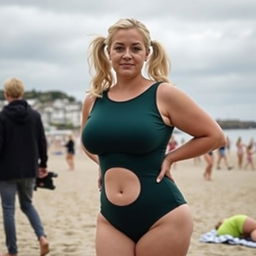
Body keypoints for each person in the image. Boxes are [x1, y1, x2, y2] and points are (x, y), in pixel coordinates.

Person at [81, 18, 225, 256]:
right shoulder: (93, 99)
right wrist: (104, 164)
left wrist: (171, 158)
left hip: (163, 215)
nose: (127, 54)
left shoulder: (164, 94)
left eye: (135, 48)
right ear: (108, 52)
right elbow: (88, 143)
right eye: (119, 48)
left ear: (147, 53)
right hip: (111, 218)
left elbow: (214, 136)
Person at [0, 78, 49, 256]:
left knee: (8, 209)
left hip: (6, 171)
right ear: (22, 93)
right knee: (27, 204)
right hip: (29, 169)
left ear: (6, 95)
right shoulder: (35, 115)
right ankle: (42, 237)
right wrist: (43, 164)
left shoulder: (3, 116)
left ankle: (12, 251)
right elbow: (42, 142)